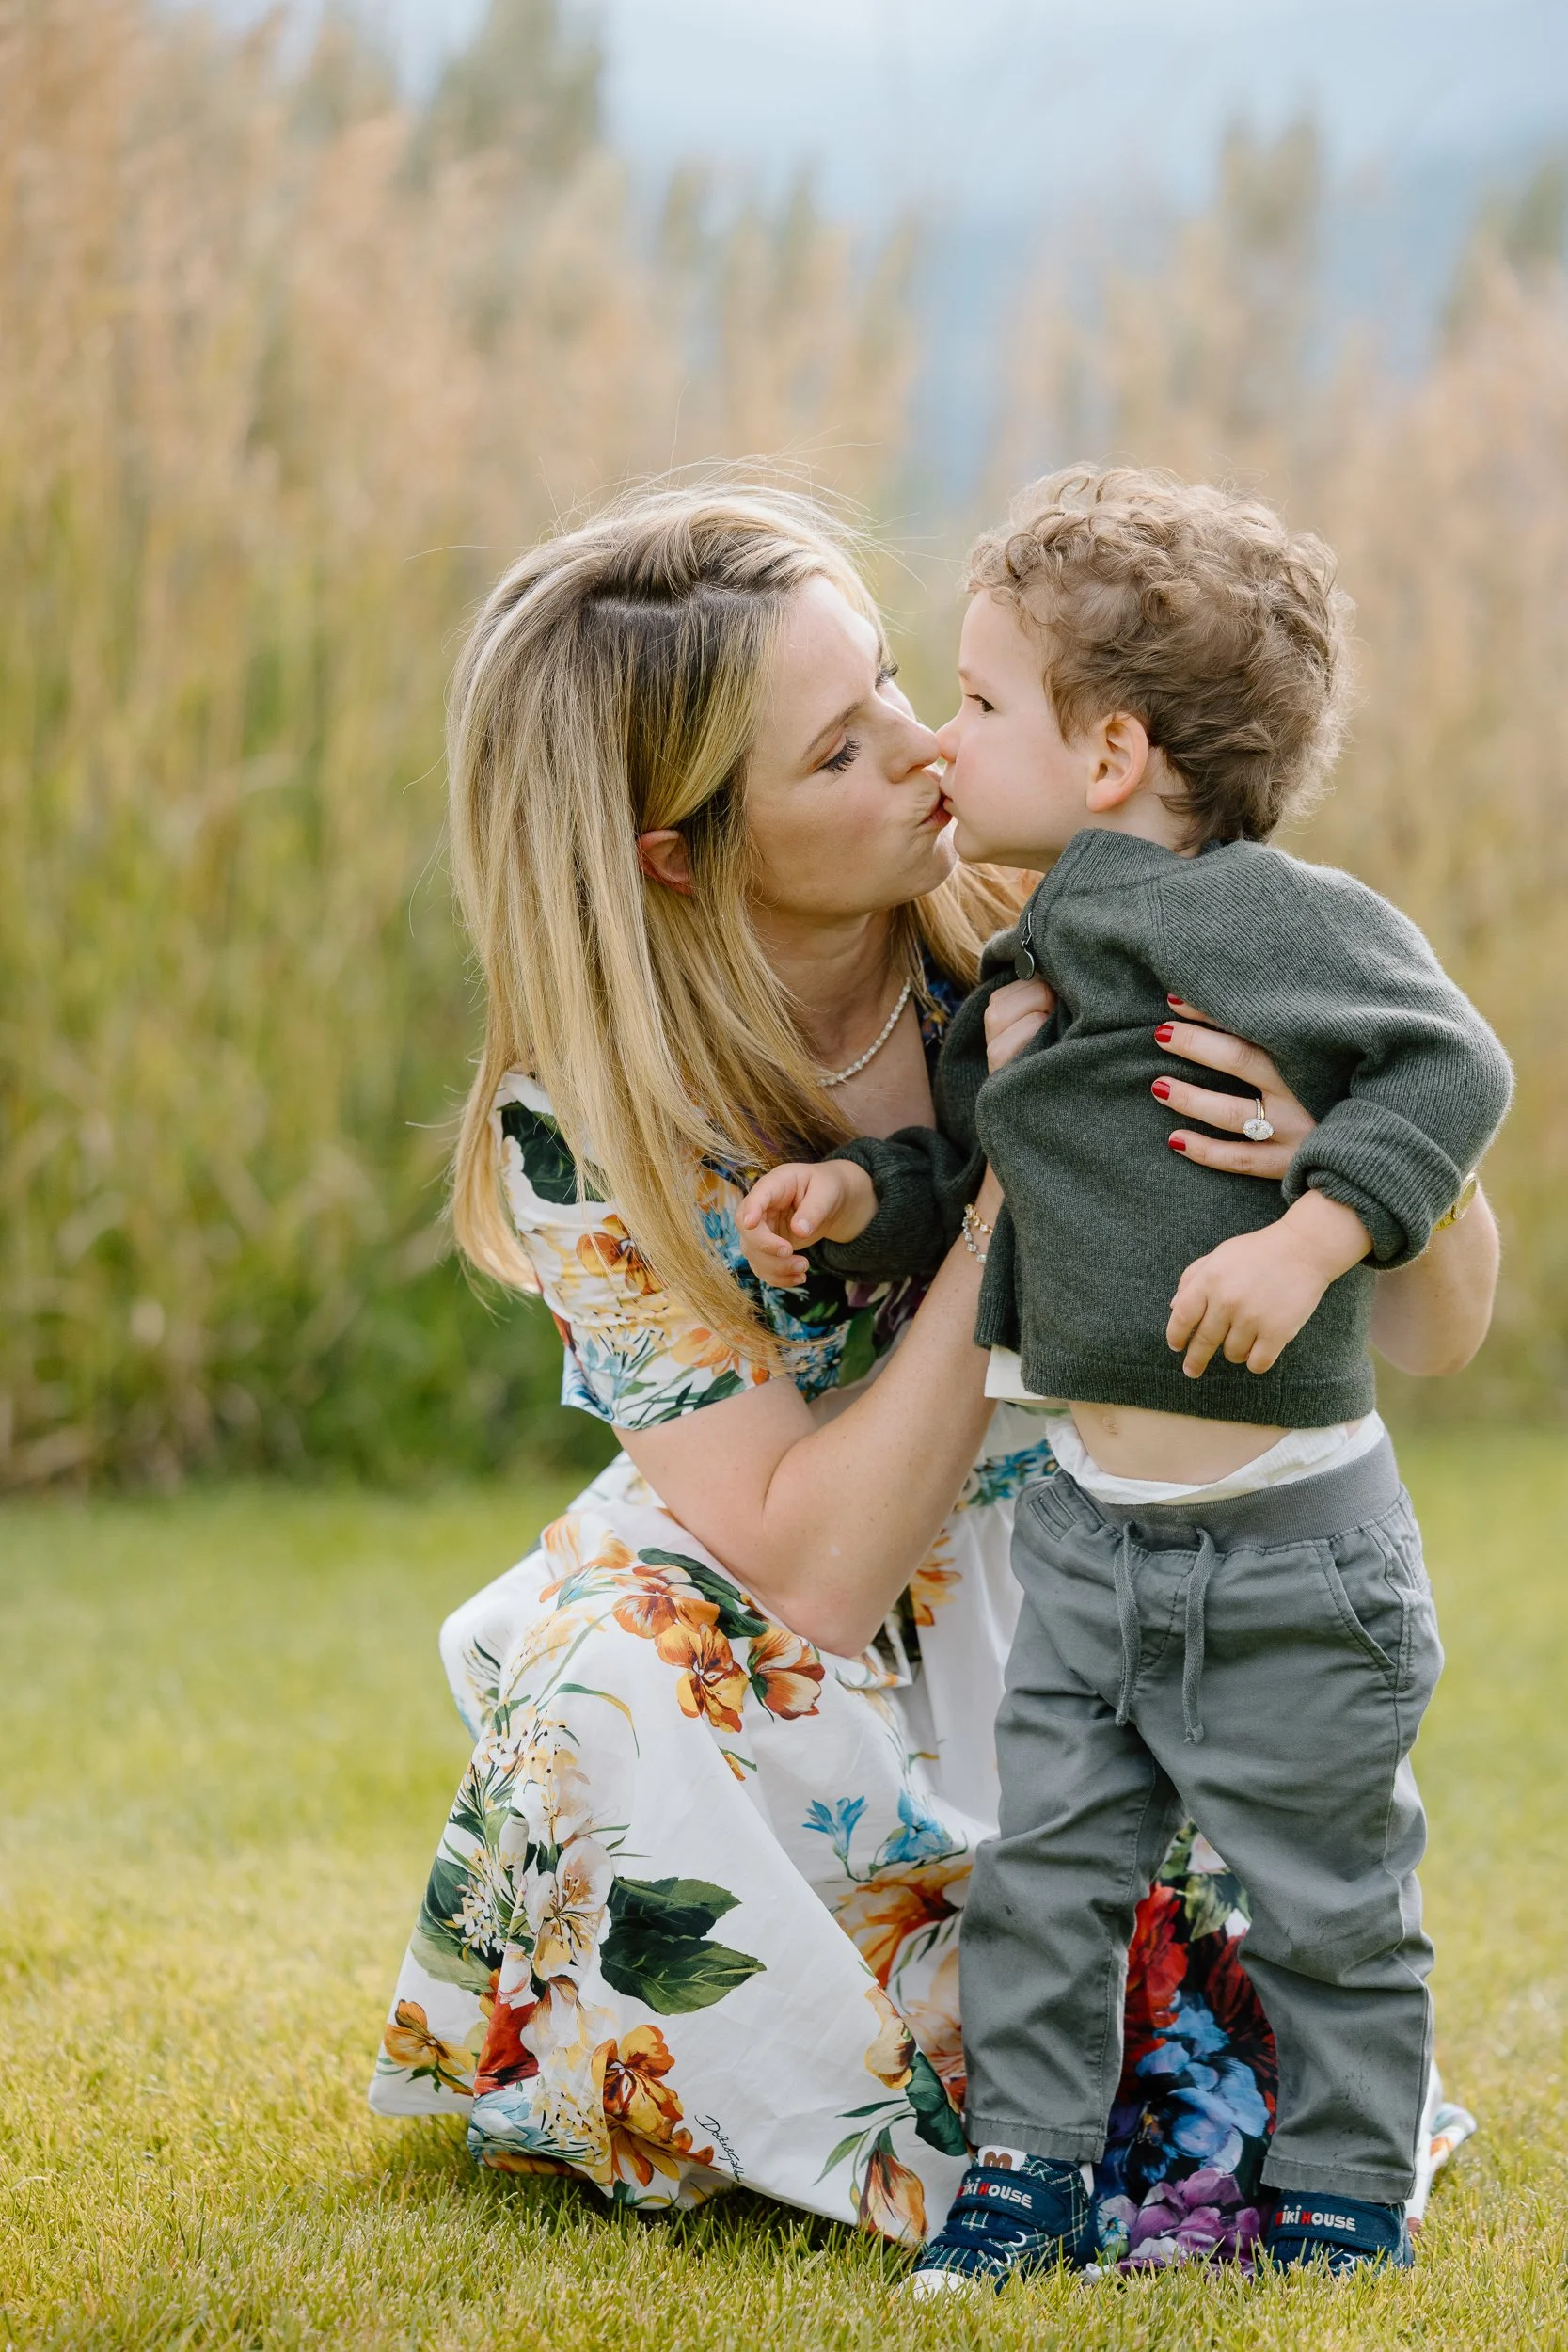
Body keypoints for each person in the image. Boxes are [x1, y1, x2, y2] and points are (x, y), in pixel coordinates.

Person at [369, 482, 1499, 2268]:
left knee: (1156, 1768)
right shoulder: (590, 1122)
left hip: (1081, 1541)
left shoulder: (1075, 921)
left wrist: (1328, 1180)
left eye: (906, 687)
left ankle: (1068, 2051)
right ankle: (925, 2104)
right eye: (841, 748)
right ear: (678, 849)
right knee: (602, 1690)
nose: (921, 754)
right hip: (796, 1617)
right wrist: (1006, 1200)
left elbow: (1436, 1334)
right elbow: (804, 1566)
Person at [736, 468, 1512, 2286]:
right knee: (1045, 1882)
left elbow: (1452, 1071)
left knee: (1327, 1896)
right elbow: (1026, 1170)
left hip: (1288, 1540)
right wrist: (865, 1198)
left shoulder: (1264, 918)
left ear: (1107, 758)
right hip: (1093, 1536)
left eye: (976, 702)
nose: (937, 735)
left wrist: (1310, 1232)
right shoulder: (1043, 948)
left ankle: (1336, 2186)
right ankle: (1029, 2171)